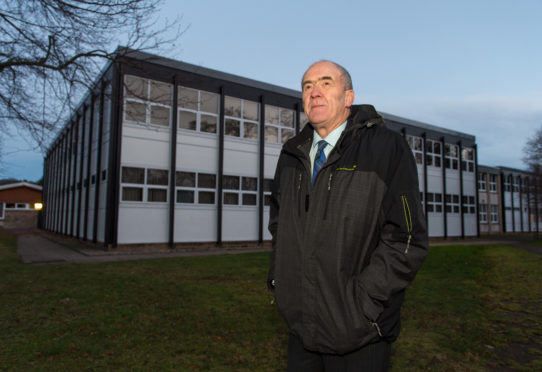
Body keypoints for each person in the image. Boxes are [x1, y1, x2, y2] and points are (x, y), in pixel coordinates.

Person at [267, 60, 429, 371]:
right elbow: (279, 223)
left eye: (326, 83)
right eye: (307, 85)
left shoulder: (386, 147)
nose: (315, 92)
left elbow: (407, 238)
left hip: (359, 332)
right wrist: (280, 281)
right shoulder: (291, 154)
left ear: (348, 97)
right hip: (301, 326)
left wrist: (364, 304)